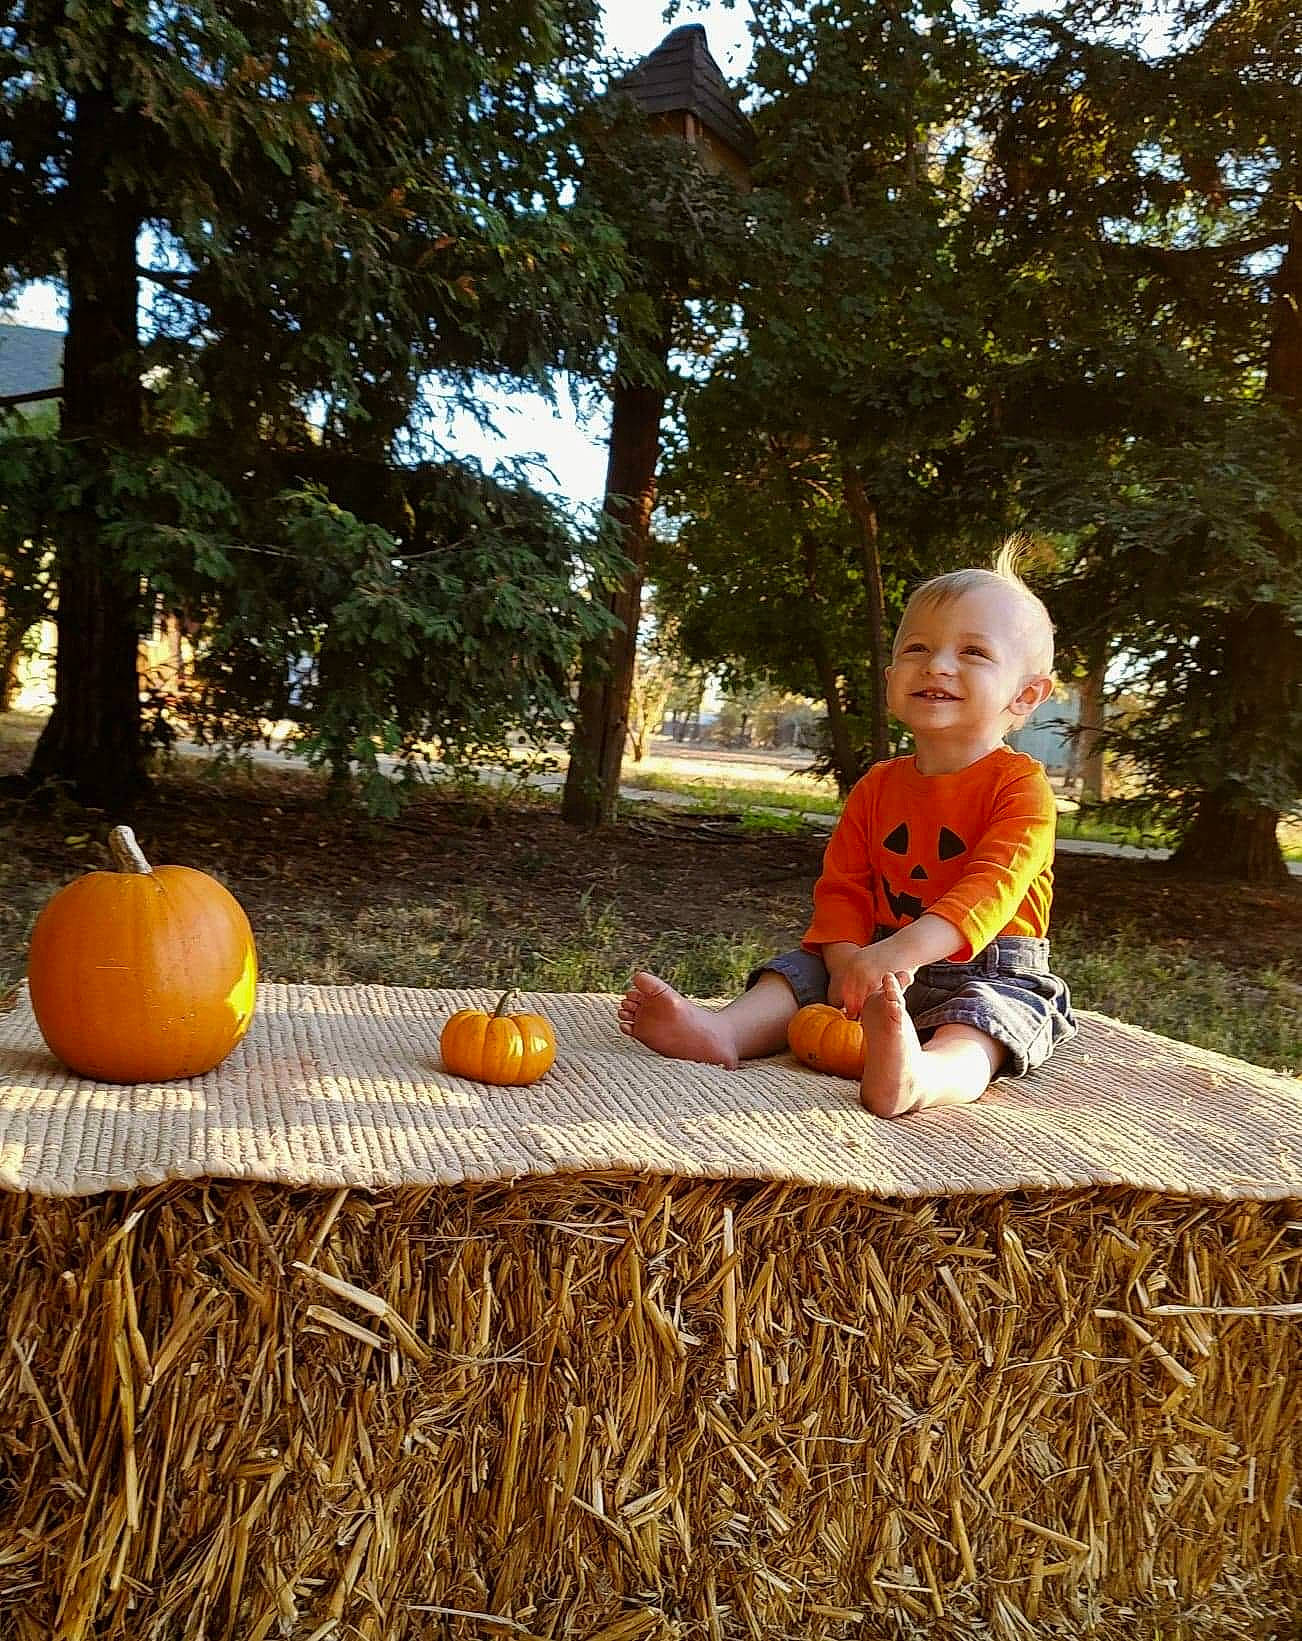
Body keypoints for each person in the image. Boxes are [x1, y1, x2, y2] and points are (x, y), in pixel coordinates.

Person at [617, 542, 1078, 1117]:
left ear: (1027, 694)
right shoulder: (877, 787)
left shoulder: (1020, 790)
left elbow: (989, 890)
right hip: (869, 955)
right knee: (795, 974)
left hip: (986, 966)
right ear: (891, 677)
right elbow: (844, 887)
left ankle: (922, 1077)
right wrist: (844, 962)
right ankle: (725, 1033)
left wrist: (896, 956)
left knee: (984, 1028)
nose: (937, 664)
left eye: (974, 652)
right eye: (918, 647)